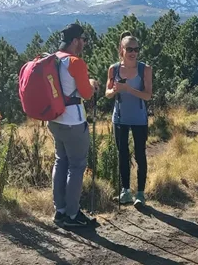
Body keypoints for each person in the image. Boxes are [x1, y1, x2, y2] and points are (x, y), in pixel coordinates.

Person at [49, 23, 99, 228]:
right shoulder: (76, 62)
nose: (84, 43)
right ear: (75, 41)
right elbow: (86, 94)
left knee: (60, 162)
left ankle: (59, 211)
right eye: (83, 40)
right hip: (74, 122)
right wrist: (92, 83)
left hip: (54, 120)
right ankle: (72, 214)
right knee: (77, 166)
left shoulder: (53, 59)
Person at [105, 32, 153, 206]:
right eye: (129, 49)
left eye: (136, 49)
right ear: (121, 50)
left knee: (140, 155)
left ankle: (140, 194)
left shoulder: (145, 69)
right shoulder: (114, 69)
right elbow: (108, 93)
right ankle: (125, 191)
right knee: (123, 155)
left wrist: (128, 89)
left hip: (139, 119)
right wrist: (116, 90)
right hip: (120, 118)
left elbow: (148, 96)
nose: (133, 52)